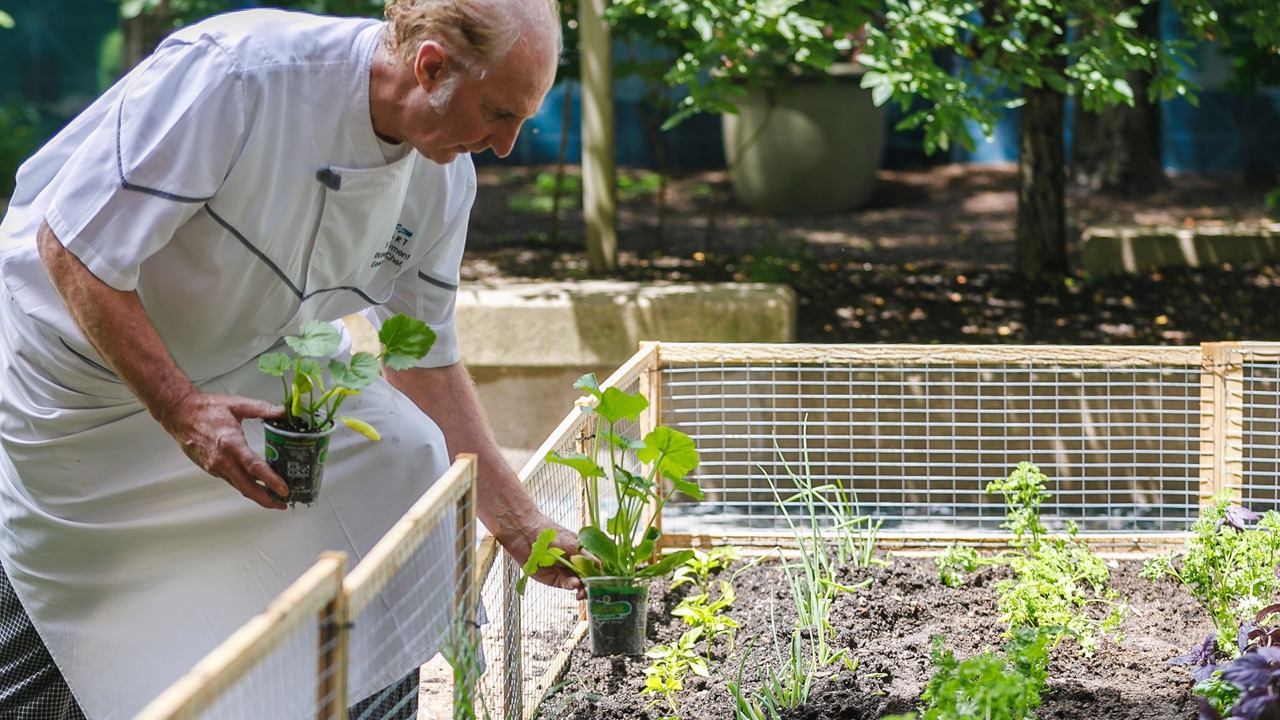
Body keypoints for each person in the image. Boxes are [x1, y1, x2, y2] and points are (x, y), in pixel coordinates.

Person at [0, 0, 582, 717]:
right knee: (61, 627)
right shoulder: (238, 74)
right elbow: (73, 250)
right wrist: (182, 408)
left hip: (251, 365)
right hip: (82, 381)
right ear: (430, 66)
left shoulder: (442, 177)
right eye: (499, 112)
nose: (508, 144)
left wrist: (522, 526)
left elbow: (425, 359)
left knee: (406, 461)